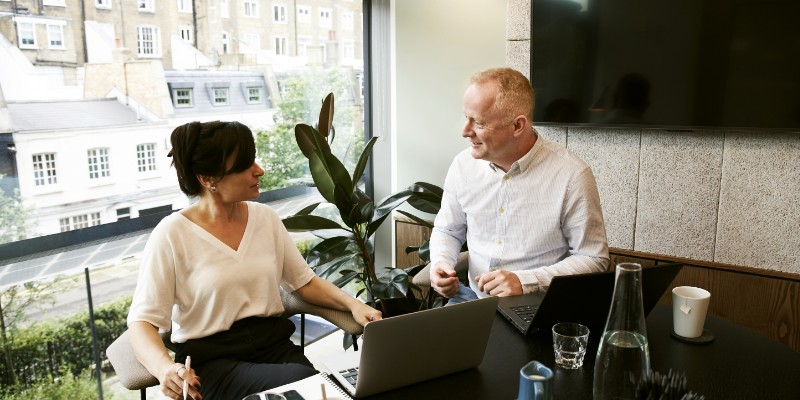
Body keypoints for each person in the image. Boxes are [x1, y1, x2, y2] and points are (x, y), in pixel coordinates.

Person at [127, 121, 381, 400]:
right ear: (208, 179)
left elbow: (304, 282)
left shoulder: (265, 218)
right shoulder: (171, 234)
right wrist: (164, 368)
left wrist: (354, 304)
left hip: (275, 347)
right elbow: (142, 322)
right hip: (214, 364)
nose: (259, 170)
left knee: (324, 391)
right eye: (245, 165)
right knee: (306, 385)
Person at [429, 68, 609, 304]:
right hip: (472, 299)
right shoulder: (462, 166)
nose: (465, 132)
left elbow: (593, 258)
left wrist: (526, 281)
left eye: (479, 123)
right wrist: (441, 262)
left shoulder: (572, 175)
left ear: (517, 126)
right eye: (466, 118)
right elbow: (448, 230)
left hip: (539, 304)